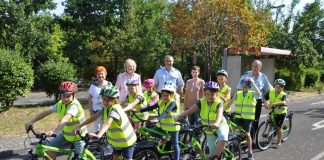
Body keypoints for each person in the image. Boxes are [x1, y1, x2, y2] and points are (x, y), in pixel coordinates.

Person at [25, 81, 87, 159]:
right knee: (49, 147)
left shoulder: (74, 105)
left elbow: (65, 119)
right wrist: (32, 121)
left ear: (74, 95)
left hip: (78, 137)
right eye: (63, 96)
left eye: (68, 96)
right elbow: (47, 112)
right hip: (65, 135)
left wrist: (55, 132)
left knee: (80, 158)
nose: (65, 98)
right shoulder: (60, 104)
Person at [75, 86, 136, 160]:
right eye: (103, 99)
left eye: (108, 100)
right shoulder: (106, 108)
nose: (105, 102)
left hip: (127, 142)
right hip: (117, 142)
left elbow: (107, 123)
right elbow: (93, 117)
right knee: (115, 158)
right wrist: (80, 125)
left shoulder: (115, 110)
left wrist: (98, 135)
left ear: (114, 100)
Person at [178, 81, 229, 160]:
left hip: (220, 126)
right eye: (207, 94)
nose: (209, 96)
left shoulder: (219, 102)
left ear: (216, 94)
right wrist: (179, 116)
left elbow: (219, 116)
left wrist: (216, 123)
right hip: (208, 129)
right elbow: (190, 110)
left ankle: (216, 157)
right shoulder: (201, 102)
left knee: (222, 136)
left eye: (212, 94)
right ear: (204, 93)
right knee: (212, 153)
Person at [134, 83, 180, 160]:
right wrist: (139, 110)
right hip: (163, 125)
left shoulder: (172, 103)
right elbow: (151, 107)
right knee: (152, 132)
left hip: (173, 126)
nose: (165, 97)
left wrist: (157, 119)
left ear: (171, 95)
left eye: (167, 96)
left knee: (175, 143)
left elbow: (166, 112)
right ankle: (165, 138)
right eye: (163, 95)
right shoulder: (161, 101)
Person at [227, 77, 261, 160]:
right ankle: (229, 148)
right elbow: (230, 102)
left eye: (245, 86)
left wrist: (253, 83)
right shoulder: (238, 94)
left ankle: (250, 152)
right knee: (231, 131)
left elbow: (259, 93)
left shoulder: (252, 93)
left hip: (247, 118)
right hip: (238, 117)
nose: (243, 87)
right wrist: (222, 110)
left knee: (247, 134)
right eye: (242, 86)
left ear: (249, 86)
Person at [237, 60, 272, 135]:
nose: (255, 68)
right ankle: (243, 138)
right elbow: (239, 88)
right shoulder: (246, 75)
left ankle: (252, 139)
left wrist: (266, 101)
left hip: (257, 101)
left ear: (260, 67)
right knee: (243, 119)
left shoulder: (263, 77)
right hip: (246, 100)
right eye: (253, 66)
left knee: (255, 120)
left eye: (257, 66)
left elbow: (268, 90)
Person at [264, 79, 288, 147]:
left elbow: (284, 102)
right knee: (271, 124)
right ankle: (269, 139)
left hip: (281, 113)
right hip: (273, 111)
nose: (277, 88)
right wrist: (266, 104)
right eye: (276, 86)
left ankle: (279, 140)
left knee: (278, 127)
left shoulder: (283, 94)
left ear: (282, 88)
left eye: (279, 87)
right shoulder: (271, 91)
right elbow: (265, 98)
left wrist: (273, 104)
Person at [88, 66, 112, 132]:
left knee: (107, 126)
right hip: (96, 110)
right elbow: (90, 98)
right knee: (97, 128)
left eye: (102, 73)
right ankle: (98, 140)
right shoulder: (93, 85)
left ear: (105, 74)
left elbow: (113, 98)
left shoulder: (109, 84)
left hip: (107, 109)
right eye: (98, 74)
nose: (100, 75)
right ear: (96, 75)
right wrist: (90, 111)